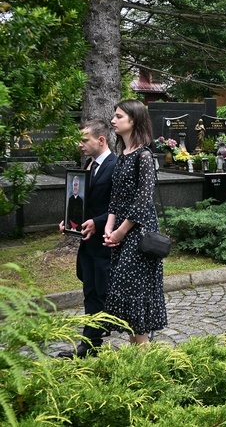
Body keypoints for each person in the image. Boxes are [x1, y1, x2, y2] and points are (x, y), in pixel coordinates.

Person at [103, 99, 168, 346]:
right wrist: (109, 227)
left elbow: (143, 201)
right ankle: (139, 354)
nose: (113, 120)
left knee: (135, 292)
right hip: (121, 232)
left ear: (134, 120)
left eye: (119, 116)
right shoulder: (122, 156)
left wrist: (119, 231)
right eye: (114, 116)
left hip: (139, 234)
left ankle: (144, 358)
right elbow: (115, 196)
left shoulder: (144, 155)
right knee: (128, 293)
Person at [57, 119, 117, 359]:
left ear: (101, 140)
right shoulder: (88, 166)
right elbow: (80, 204)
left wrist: (98, 222)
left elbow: (119, 206)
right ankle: (91, 342)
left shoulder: (116, 165)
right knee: (90, 291)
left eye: (84, 140)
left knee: (102, 292)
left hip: (106, 243)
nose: (79, 145)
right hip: (87, 244)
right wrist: (69, 221)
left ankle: (92, 342)